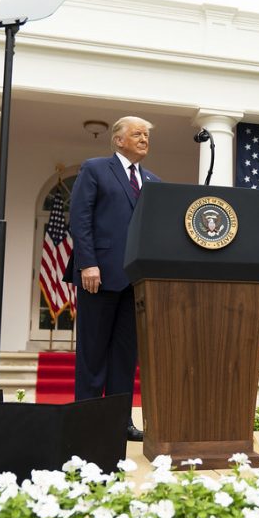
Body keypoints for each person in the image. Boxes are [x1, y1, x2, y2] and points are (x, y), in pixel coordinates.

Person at [67, 116, 160, 442]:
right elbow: (79, 219)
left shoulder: (153, 181)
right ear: (118, 140)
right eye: (137, 134)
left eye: (147, 135)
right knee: (92, 353)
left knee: (125, 356)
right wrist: (87, 264)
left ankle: (120, 423)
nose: (144, 139)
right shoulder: (95, 169)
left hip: (136, 283)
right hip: (99, 277)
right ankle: (88, 422)